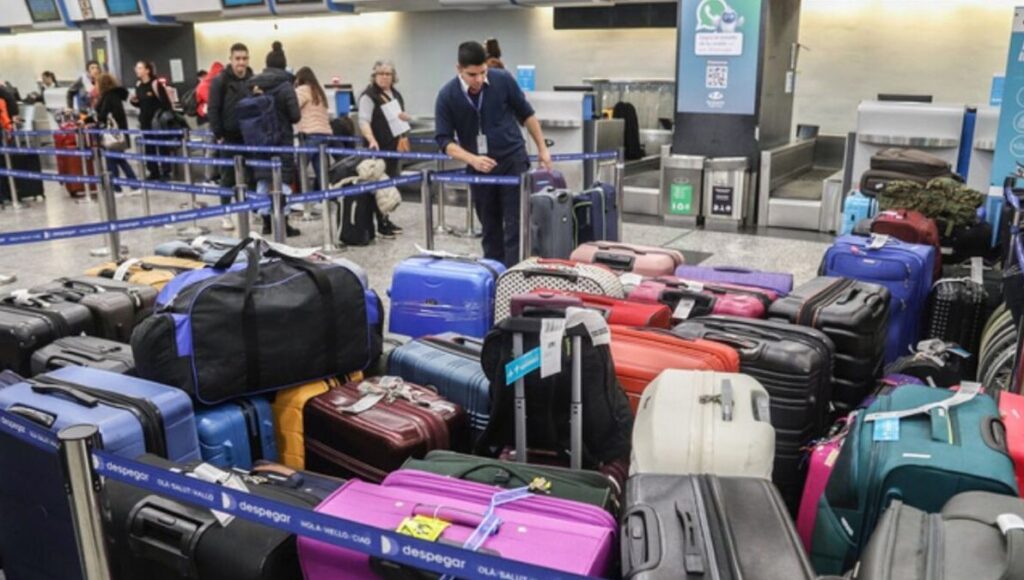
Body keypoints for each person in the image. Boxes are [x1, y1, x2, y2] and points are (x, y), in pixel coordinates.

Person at [434, 41, 552, 267]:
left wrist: (542, 149)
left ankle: (515, 276)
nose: (478, 79)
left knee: (516, 225)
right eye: (472, 74)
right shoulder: (447, 95)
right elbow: (443, 140)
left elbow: (527, 115)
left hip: (513, 162)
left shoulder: (502, 80)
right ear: (458, 69)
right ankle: (495, 274)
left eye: (482, 72)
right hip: (480, 168)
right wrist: (472, 159)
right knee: (490, 228)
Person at [247, 41, 301, 237]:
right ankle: (283, 221)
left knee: (263, 179)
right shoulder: (286, 86)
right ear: (284, 65)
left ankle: (266, 223)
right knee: (283, 181)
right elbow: (295, 116)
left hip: (259, 139)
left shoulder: (253, 83)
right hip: (282, 139)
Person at [358, 60, 407, 237]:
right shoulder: (368, 96)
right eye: (381, 74)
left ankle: (385, 219)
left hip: (393, 146)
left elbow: (400, 117)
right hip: (377, 147)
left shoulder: (396, 94)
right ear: (374, 75)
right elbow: (364, 120)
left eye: (388, 74)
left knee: (390, 186)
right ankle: (378, 223)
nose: (385, 77)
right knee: (377, 186)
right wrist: (371, 138)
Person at [208, 43, 254, 231]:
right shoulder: (220, 81)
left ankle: (245, 210)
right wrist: (218, 134)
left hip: (248, 137)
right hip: (228, 137)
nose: (241, 62)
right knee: (227, 177)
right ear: (231, 59)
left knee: (248, 176)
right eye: (237, 59)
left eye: (244, 58)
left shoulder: (253, 79)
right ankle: (225, 213)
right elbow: (213, 109)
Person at [94, 73, 139, 193]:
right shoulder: (114, 95)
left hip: (113, 134)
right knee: (118, 160)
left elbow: (105, 115)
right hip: (117, 133)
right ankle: (128, 186)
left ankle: (118, 188)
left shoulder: (109, 97)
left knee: (114, 160)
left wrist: (97, 118)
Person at [130, 60, 173, 181]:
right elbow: (141, 104)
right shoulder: (138, 85)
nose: (137, 70)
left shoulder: (155, 84)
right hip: (145, 121)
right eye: (136, 68)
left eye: (139, 68)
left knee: (162, 146)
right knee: (149, 147)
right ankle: (153, 171)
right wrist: (134, 102)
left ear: (147, 70)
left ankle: (165, 171)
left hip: (157, 121)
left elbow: (165, 102)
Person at [294, 66, 332, 190]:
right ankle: (325, 200)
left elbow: (293, 107)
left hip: (309, 134)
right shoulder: (319, 91)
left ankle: (302, 198)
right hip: (324, 135)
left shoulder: (303, 90)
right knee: (321, 171)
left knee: (299, 168)